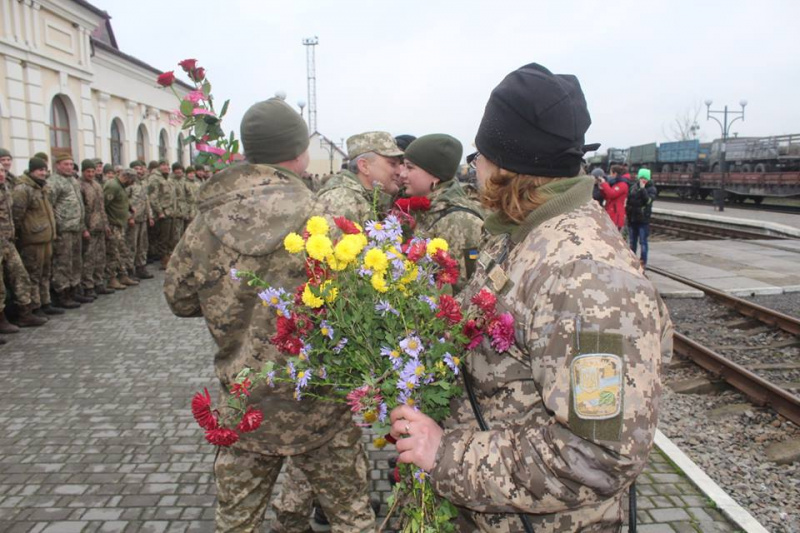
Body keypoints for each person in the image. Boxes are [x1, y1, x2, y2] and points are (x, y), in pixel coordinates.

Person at [388, 63, 673, 532]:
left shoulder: (584, 275)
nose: (473, 165)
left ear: (504, 164)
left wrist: (446, 455)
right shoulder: (522, 233)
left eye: (480, 153)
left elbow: (600, 454)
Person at [164, 98, 375, 533]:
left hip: (245, 404)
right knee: (352, 519)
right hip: (320, 401)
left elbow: (179, 299)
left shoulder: (207, 222)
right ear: (299, 153)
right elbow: (361, 305)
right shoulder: (323, 220)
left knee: (237, 523)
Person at [399, 134, 483, 290]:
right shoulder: (429, 210)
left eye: (410, 167)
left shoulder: (460, 221)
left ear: (435, 176)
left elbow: (466, 288)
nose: (402, 174)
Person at [0, 163, 47, 334]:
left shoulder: (6, 189)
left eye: (3, 171)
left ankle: (24, 313)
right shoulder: (19, 189)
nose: (2, 174)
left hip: (8, 241)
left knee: (21, 276)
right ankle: (2, 320)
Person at [317, 132, 403, 222]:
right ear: (364, 166)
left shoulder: (363, 198)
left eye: (399, 164)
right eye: (392, 164)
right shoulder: (341, 200)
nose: (399, 172)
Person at [12, 157, 60, 317]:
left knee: (45, 273)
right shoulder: (23, 189)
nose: (43, 173)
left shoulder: (41, 188)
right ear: (32, 170)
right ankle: (34, 305)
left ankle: (45, 302)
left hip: (45, 237)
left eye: (45, 170)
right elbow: (17, 215)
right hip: (32, 239)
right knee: (33, 274)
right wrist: (21, 235)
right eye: (40, 170)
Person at [48, 154, 86, 309]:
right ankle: (62, 292)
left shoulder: (73, 180)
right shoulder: (53, 182)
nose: (69, 167)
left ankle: (74, 288)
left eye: (71, 164)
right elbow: (49, 206)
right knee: (63, 262)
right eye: (66, 164)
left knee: (76, 261)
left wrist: (82, 226)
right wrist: (54, 229)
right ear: (58, 165)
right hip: (63, 229)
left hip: (76, 227)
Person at [79, 159, 111, 298]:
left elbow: (102, 208)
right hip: (89, 227)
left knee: (100, 257)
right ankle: (88, 286)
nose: (91, 174)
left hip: (100, 227)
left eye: (93, 171)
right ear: (83, 171)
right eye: (88, 171)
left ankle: (99, 282)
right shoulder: (79, 186)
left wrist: (106, 225)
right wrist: (83, 228)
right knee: (89, 258)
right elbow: (80, 210)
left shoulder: (97, 186)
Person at [104, 168, 138, 289]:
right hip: (112, 224)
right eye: (132, 181)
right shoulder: (112, 186)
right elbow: (104, 205)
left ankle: (123, 275)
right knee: (113, 252)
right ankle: (111, 278)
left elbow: (121, 199)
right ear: (126, 177)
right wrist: (106, 224)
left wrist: (130, 208)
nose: (133, 184)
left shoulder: (120, 186)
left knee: (121, 251)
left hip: (119, 224)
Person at [147, 159, 178, 269]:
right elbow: (153, 197)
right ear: (159, 167)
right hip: (163, 213)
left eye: (167, 165)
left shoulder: (168, 178)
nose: (166, 167)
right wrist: (159, 212)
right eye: (163, 165)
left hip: (171, 212)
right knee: (163, 239)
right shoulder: (154, 178)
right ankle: (164, 260)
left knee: (171, 237)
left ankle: (170, 257)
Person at [126, 160, 154, 280]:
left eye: (140, 168)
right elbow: (125, 202)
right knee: (131, 245)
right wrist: (129, 217)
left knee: (143, 244)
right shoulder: (129, 184)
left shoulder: (143, 183)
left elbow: (146, 200)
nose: (139, 171)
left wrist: (150, 216)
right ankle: (129, 269)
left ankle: (141, 266)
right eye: (136, 169)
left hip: (143, 218)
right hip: (133, 219)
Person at [626, 168, 657, 268]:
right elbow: (629, 201)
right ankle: (633, 260)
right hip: (633, 218)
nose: (642, 180)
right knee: (632, 242)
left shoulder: (651, 189)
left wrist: (643, 189)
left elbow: (648, 201)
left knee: (643, 241)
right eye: (641, 178)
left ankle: (643, 262)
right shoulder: (633, 187)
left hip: (643, 219)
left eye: (645, 178)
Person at [598, 164, 628, 231]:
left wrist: (604, 184)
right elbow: (608, 197)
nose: (610, 175)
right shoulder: (615, 183)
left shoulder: (623, 185)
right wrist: (602, 189)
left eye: (611, 173)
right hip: (611, 212)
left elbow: (612, 194)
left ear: (615, 174)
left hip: (616, 214)